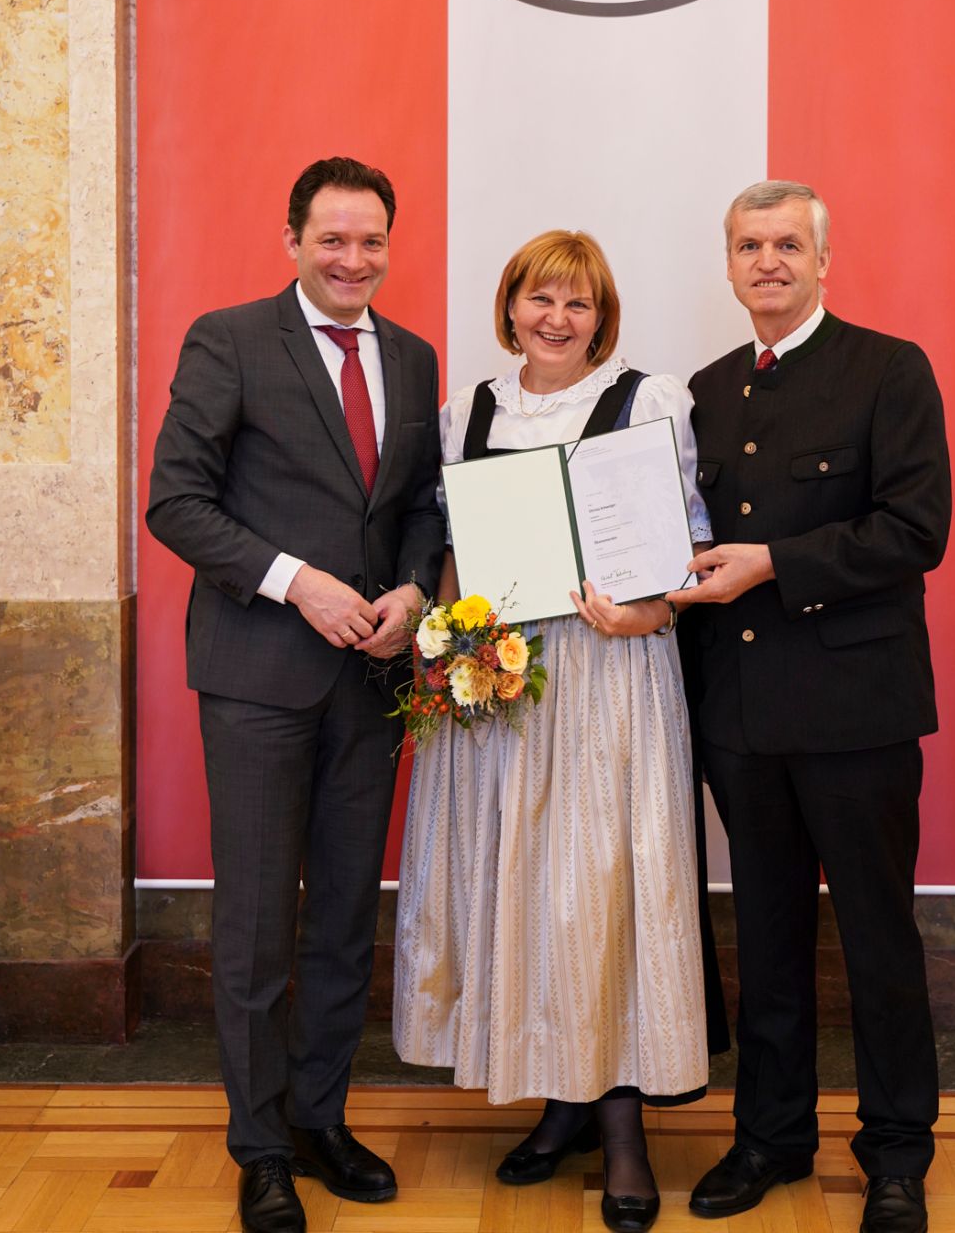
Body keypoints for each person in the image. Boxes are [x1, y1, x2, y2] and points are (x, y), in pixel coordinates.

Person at [146, 156, 446, 1233]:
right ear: (292, 241)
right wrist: (295, 581)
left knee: (344, 919)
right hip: (259, 677)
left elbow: (421, 505)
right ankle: (262, 1146)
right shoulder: (228, 340)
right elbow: (175, 502)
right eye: (332, 239)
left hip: (372, 678)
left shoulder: (412, 357)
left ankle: (322, 1117)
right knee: (258, 922)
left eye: (371, 241)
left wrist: (415, 585)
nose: (353, 259)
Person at [394, 230, 712, 1233]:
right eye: (541, 298)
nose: (557, 319)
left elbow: (685, 547)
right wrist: (450, 647)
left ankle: (622, 1130)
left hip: (610, 674)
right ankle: (560, 1101)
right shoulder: (472, 410)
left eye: (579, 303)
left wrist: (648, 611)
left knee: (600, 892)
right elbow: (456, 547)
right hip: (501, 678)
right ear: (511, 307)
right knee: (523, 885)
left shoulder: (648, 400)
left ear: (601, 317)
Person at [670, 181, 951, 1233]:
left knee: (878, 942)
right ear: (729, 265)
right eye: (750, 245)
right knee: (769, 936)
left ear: (824, 260)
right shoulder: (706, 389)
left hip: (856, 713)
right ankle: (771, 1137)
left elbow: (916, 529)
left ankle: (896, 1154)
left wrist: (774, 564)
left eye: (789, 244)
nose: (769, 262)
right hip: (741, 715)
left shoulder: (889, 368)